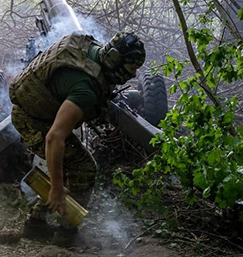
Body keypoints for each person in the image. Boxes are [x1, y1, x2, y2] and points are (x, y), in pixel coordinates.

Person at [9, 31, 146, 246]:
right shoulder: (85, 90)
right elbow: (54, 138)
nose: (134, 74)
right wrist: (55, 188)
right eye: (131, 68)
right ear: (114, 60)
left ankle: (35, 224)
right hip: (33, 121)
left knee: (65, 165)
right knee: (83, 169)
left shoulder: (91, 48)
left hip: (40, 111)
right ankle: (66, 233)